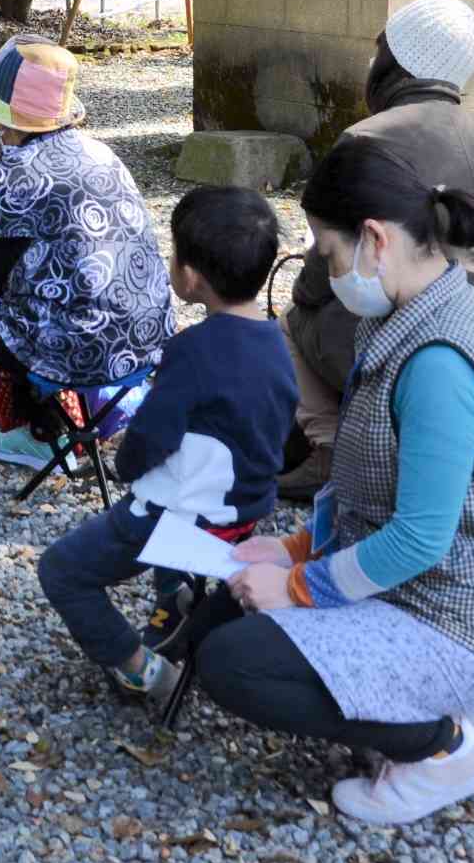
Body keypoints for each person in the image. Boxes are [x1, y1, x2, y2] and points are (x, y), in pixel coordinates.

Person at [193, 136, 474, 826]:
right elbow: (373, 496)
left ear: (374, 239)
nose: (328, 270)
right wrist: (294, 550)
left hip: (459, 625)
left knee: (234, 663)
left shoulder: (440, 362)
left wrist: (298, 587)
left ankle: (441, 748)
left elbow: (418, 539)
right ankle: (410, 711)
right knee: (224, 612)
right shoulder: (426, 312)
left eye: (328, 252)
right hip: (423, 597)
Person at [35, 186, 297, 702]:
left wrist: (126, 465)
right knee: (178, 513)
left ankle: (141, 669)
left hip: (179, 515)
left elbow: (152, 436)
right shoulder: (276, 342)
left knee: (62, 570)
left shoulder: (193, 351)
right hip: (240, 508)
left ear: (191, 276)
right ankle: (173, 606)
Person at [0, 34, 175, 491]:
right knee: (34, 292)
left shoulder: (11, 174)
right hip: (143, 342)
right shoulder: (102, 154)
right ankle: (42, 434)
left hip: (78, 351)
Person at [278, 0, 474, 502]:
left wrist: (309, 296)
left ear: (392, 63)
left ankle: (330, 449)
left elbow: (329, 257)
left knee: (292, 322)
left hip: (426, 334)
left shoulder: (365, 137)